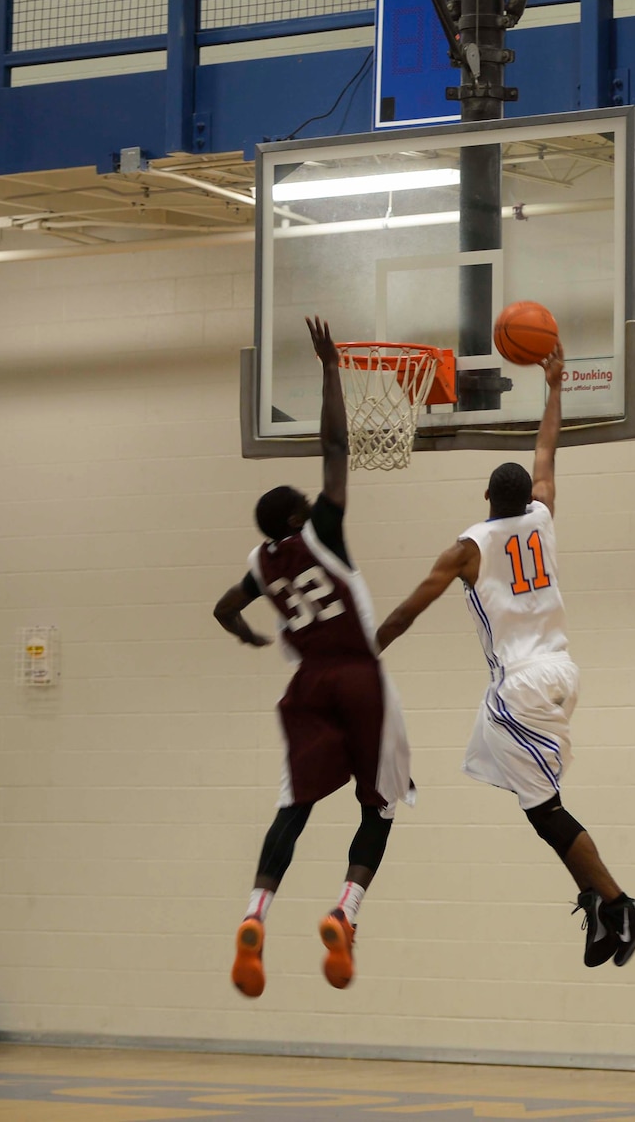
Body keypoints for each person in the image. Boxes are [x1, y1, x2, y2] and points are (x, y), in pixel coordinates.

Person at [376, 341, 635, 968]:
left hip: (520, 687)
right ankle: (599, 905)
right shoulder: (543, 515)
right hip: (559, 672)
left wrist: (364, 652)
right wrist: (554, 386)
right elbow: (546, 453)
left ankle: (617, 904)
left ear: (484, 496)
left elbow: (405, 612)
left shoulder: (468, 548)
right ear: (526, 497)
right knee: (501, 768)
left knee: (544, 807)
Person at [212, 316, 414, 997]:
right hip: (359, 677)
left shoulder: (260, 565)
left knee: (292, 808)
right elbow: (335, 442)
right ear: (300, 514)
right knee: (379, 807)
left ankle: (254, 911)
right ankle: (344, 911)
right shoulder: (322, 528)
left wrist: (248, 635)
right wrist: (330, 368)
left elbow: (223, 608)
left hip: (304, 688)